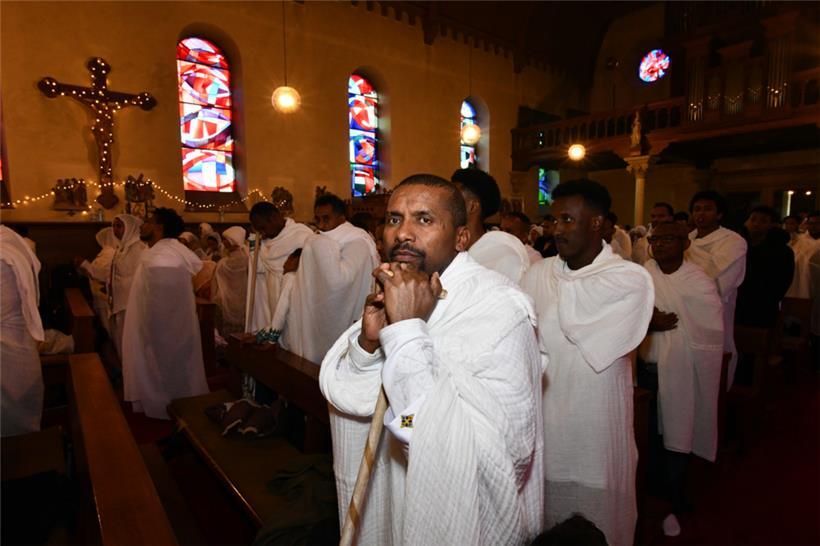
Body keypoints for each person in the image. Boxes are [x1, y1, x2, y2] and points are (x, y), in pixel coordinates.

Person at [320, 174, 544, 544]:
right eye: (394, 219)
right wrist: (368, 345)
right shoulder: (394, 290)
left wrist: (407, 331)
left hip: (460, 522)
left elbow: (495, 454)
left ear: (460, 237)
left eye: (424, 220)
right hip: (394, 495)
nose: (403, 234)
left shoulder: (499, 308)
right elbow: (367, 403)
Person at [521, 179, 653, 546]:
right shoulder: (536, 274)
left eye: (567, 219)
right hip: (546, 423)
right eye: (553, 219)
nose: (556, 229)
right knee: (546, 527)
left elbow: (579, 325)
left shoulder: (629, 280)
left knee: (599, 526)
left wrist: (558, 288)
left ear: (597, 223)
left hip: (594, 427)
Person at [638, 221, 724, 537]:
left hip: (681, 370)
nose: (658, 244)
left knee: (676, 436)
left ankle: (673, 499)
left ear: (684, 244)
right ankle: (650, 496)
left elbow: (709, 330)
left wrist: (658, 321)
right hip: (646, 369)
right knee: (648, 439)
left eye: (667, 239)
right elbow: (629, 311)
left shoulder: (698, 281)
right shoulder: (643, 274)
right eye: (654, 239)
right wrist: (648, 322)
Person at [123, 208, 208, 419]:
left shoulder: (163, 258)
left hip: (165, 331)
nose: (142, 226)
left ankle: (168, 406)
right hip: (174, 328)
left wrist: (147, 333)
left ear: (159, 228)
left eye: (148, 222)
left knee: (167, 369)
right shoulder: (168, 250)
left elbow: (162, 308)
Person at [276, 193, 379, 364]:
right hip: (319, 315)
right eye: (318, 219)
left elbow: (340, 282)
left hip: (345, 316)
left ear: (341, 218)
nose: (321, 225)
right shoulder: (322, 238)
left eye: (326, 219)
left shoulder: (356, 242)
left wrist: (316, 247)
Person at [685, 190, 747, 389]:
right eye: (696, 209)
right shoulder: (687, 240)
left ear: (719, 214)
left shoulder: (733, 241)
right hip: (683, 310)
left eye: (707, 209)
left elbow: (714, 280)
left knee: (712, 370)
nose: (701, 214)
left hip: (713, 310)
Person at [1, 225, 45, 437]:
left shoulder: (2, 256)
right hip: (14, 349)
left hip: (8, 357)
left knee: (15, 439)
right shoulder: (9, 243)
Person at [451, 168, 530, 283]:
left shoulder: (503, 258)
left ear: (472, 206)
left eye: (452, 199)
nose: (444, 205)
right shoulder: (449, 248)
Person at [246, 202, 314, 333]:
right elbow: (258, 268)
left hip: (296, 298)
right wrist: (254, 242)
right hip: (273, 298)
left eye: (263, 227)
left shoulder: (301, 235)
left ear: (273, 218)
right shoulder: (266, 242)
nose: (262, 232)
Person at [735, 206, 794, 328]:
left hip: (764, 308)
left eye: (763, 220)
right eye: (753, 219)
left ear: (772, 225)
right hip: (736, 305)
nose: (756, 224)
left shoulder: (782, 251)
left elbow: (782, 282)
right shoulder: (736, 246)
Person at [107, 215, 147, 359]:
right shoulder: (121, 248)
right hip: (119, 301)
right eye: (114, 226)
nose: (115, 230)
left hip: (131, 302)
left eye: (119, 226)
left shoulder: (139, 249)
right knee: (120, 340)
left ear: (130, 228)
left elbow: (141, 278)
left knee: (131, 343)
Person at [76, 226, 118, 333]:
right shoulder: (106, 252)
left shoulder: (110, 253)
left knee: (109, 328)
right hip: (100, 296)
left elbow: (102, 274)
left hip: (104, 297)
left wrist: (86, 265)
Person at [212, 226, 248, 336]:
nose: (223, 242)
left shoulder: (247, 260)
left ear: (233, 240)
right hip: (228, 299)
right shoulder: (225, 261)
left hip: (242, 299)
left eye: (225, 239)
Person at [786, 211, 820, 299]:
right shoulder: (797, 239)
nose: (813, 226)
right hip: (797, 285)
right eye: (811, 223)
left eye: (817, 223)